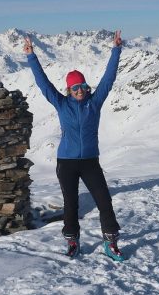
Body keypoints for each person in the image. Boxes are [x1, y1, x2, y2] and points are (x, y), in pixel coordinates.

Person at [24, 30, 125, 261]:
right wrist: (31, 56)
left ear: (87, 87)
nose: (80, 90)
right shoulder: (61, 104)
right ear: (68, 90)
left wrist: (116, 50)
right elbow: (43, 83)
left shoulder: (95, 103)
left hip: (90, 161)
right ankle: (72, 242)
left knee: (104, 201)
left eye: (83, 86)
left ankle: (111, 243)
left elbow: (109, 78)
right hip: (67, 162)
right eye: (75, 87)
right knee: (71, 204)